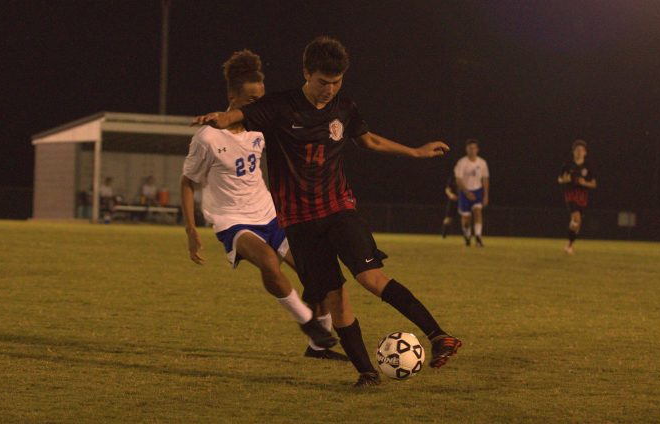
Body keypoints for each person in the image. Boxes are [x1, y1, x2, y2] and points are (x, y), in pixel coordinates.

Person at [194, 37, 461, 387]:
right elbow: (239, 115)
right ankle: (367, 373)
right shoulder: (279, 106)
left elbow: (370, 141)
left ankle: (438, 336)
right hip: (299, 224)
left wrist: (415, 152)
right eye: (323, 82)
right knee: (335, 297)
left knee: (370, 278)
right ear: (306, 73)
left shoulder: (344, 107)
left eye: (336, 82)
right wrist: (220, 118)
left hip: (338, 209)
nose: (329, 90)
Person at [181, 49, 347, 361]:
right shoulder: (206, 138)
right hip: (232, 220)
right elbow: (188, 182)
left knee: (316, 273)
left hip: (270, 213)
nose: (259, 105)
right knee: (269, 262)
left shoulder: (261, 128)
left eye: (261, 98)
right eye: (251, 100)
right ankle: (308, 323)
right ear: (232, 95)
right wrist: (191, 230)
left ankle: (319, 347)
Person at [557, 139, 597, 254]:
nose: (579, 152)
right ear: (573, 152)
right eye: (577, 150)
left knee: (576, 224)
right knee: (576, 218)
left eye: (582, 150)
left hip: (582, 196)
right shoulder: (567, 165)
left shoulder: (588, 167)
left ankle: (569, 244)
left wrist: (585, 183)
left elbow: (594, 184)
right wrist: (564, 179)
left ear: (585, 152)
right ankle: (569, 244)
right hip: (570, 194)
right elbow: (559, 179)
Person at [454, 139, 489, 247]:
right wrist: (466, 192)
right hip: (465, 192)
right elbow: (458, 180)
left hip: (478, 191)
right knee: (466, 220)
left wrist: (486, 195)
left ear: (477, 149)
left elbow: (485, 179)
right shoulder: (462, 162)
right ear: (467, 149)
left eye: (474, 148)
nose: (472, 150)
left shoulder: (482, 163)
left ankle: (478, 237)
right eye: (470, 148)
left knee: (478, 212)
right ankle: (467, 236)